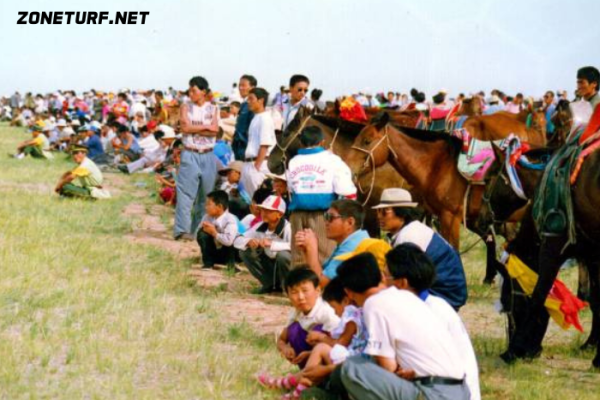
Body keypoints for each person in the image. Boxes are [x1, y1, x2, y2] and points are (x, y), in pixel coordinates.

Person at [337, 252, 469, 400]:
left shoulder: (373, 303)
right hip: (461, 390)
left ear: (348, 292)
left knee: (352, 368)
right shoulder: (406, 296)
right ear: (381, 276)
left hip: (435, 393)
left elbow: (388, 367)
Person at [386, 244, 480, 400]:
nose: (382, 282)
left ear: (402, 282)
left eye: (385, 276)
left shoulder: (434, 311)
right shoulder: (414, 307)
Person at [259, 277, 367, 398]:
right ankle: (288, 383)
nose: (334, 312)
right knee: (318, 349)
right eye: (294, 292)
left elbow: (341, 343)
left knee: (321, 347)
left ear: (345, 301)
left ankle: (293, 387)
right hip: (348, 359)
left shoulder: (351, 319)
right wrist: (310, 352)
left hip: (351, 362)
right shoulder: (351, 316)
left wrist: (321, 337)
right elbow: (283, 337)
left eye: (334, 308)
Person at [373, 188, 467, 310]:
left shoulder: (409, 236)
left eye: (385, 212)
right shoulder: (409, 230)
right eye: (378, 211)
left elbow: (404, 280)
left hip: (444, 293)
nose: (379, 216)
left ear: (401, 213)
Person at [288, 126, 357, 267]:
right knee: (324, 255)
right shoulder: (333, 160)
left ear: (301, 143)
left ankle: (298, 286)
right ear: (322, 141)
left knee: (299, 256)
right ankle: (322, 287)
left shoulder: (293, 161)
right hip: (323, 215)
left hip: (297, 214)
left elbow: (291, 188)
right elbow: (346, 190)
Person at [174, 76, 219, 241]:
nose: (191, 93)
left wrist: (195, 129)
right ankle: (182, 230)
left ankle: (197, 230)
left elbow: (214, 130)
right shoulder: (186, 107)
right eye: (190, 90)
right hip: (190, 152)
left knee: (205, 196)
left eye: (195, 90)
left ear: (204, 92)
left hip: (208, 154)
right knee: (185, 194)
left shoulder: (213, 108)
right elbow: (185, 128)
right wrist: (204, 127)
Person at [275, 268, 340, 370]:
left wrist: (312, 354)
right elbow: (281, 340)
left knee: (319, 329)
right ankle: (306, 371)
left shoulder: (327, 312)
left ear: (318, 290)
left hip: (332, 361)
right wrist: (285, 348)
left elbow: (341, 345)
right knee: (294, 328)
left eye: (305, 291)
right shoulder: (295, 313)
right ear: (288, 295)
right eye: (294, 292)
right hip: (305, 357)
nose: (300, 297)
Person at [296, 200, 369, 288]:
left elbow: (321, 284)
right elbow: (323, 272)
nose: (326, 222)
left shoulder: (353, 246)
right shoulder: (352, 240)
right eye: (325, 217)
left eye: (330, 217)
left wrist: (312, 248)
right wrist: (307, 250)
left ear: (350, 222)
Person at [235, 195, 292, 294]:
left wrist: (272, 244)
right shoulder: (260, 226)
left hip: (287, 267)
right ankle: (269, 284)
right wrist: (248, 241)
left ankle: (288, 288)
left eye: (269, 211)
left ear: (279, 214)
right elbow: (237, 239)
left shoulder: (288, 228)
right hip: (270, 263)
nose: (264, 213)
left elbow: (295, 247)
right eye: (263, 210)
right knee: (245, 251)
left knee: (283, 255)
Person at [240, 87, 276, 198]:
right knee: (250, 202)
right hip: (249, 163)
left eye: (251, 99)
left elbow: (264, 144)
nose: (248, 102)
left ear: (261, 100)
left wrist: (256, 168)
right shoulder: (256, 118)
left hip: (258, 164)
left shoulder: (265, 118)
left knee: (259, 201)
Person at [197, 190, 239, 270]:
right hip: (215, 250)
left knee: (234, 240)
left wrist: (214, 233)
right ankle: (208, 263)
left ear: (219, 206)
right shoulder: (207, 217)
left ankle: (231, 265)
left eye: (209, 204)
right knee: (202, 233)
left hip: (229, 252)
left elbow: (228, 241)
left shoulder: (230, 219)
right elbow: (199, 235)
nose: (206, 207)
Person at [231, 74, 257, 161]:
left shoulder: (252, 105)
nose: (240, 88)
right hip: (239, 148)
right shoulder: (244, 104)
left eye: (243, 85)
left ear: (252, 87)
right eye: (239, 85)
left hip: (245, 148)